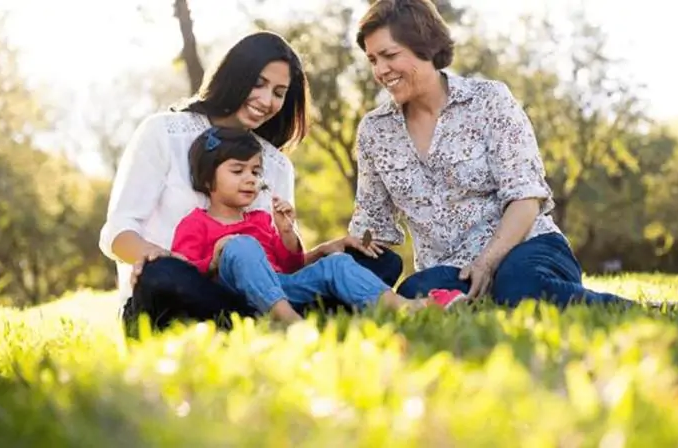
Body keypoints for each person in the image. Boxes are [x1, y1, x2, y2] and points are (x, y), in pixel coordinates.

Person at [98, 31, 404, 334]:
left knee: (379, 263)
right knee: (162, 276)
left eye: (279, 92)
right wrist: (158, 256)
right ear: (234, 75)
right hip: (185, 289)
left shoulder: (275, 164)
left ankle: (267, 320)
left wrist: (326, 250)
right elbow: (118, 231)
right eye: (258, 83)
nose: (265, 100)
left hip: (258, 295)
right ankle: (281, 321)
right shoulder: (164, 132)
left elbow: (278, 267)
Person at [348, 0, 640, 309]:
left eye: (390, 55)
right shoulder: (374, 131)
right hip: (451, 269)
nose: (380, 70)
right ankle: (485, 299)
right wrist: (336, 258)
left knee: (518, 284)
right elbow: (373, 226)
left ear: (426, 47)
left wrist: (487, 262)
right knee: (414, 292)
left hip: (527, 246)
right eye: (372, 60)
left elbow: (525, 198)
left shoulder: (488, 100)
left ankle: (633, 309)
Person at [171, 127, 461, 324]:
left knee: (335, 263)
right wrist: (216, 258)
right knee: (241, 246)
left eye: (255, 171)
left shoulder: (260, 220)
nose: (250, 179)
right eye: (238, 171)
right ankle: (287, 322)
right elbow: (184, 274)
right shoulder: (195, 223)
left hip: (280, 287)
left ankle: (402, 307)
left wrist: (286, 233)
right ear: (207, 179)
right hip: (234, 294)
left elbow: (289, 265)